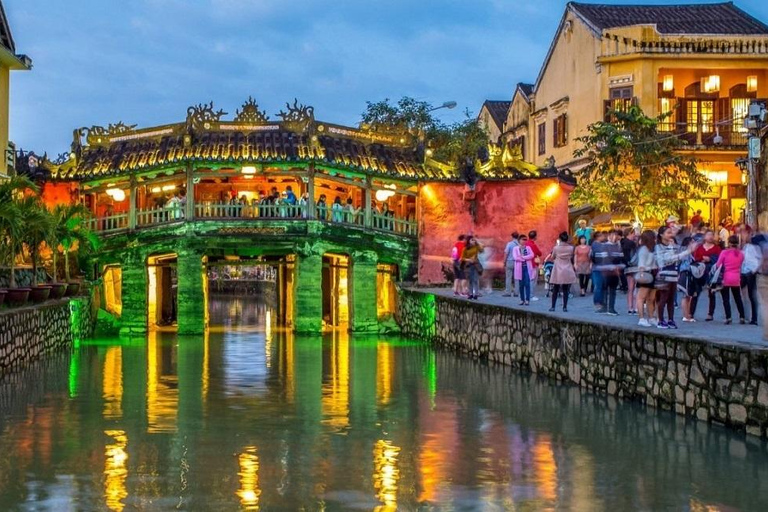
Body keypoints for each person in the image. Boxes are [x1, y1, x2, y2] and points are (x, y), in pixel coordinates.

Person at [655, 226, 697, 329]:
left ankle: (670, 319)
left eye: (671, 233)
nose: (670, 235)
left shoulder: (672, 246)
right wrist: (685, 252)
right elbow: (667, 260)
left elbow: (678, 257)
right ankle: (660, 320)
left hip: (673, 275)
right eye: (668, 233)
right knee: (663, 298)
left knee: (671, 299)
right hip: (664, 275)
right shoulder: (659, 247)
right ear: (661, 235)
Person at [592, 229, 625, 315]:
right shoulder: (604, 246)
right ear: (609, 236)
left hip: (614, 271)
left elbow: (621, 257)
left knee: (612, 290)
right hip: (606, 271)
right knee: (605, 289)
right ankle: (605, 307)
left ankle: (610, 308)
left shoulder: (618, 246)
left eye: (616, 235)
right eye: (613, 235)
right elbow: (601, 258)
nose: (615, 237)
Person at [715, 235, 746, 324]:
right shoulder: (740, 254)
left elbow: (718, 265)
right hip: (736, 278)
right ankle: (742, 317)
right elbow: (741, 263)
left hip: (725, 278)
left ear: (729, 243)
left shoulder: (724, 252)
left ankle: (728, 317)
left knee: (726, 299)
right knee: (738, 298)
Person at [692, 230, 722, 322]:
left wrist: (710, 259)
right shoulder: (700, 248)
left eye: (712, 235)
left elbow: (719, 259)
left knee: (711, 293)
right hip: (700, 271)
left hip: (711, 272)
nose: (710, 237)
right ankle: (691, 313)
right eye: (709, 235)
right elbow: (695, 258)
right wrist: (702, 259)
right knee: (696, 292)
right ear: (705, 237)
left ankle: (710, 314)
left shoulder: (717, 248)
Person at [549, 232, 577, 312]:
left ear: (560, 239)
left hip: (558, 268)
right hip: (567, 268)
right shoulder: (571, 248)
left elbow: (552, 257)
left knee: (555, 288)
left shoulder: (556, 248)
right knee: (565, 289)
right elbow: (571, 256)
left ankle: (553, 306)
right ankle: (565, 307)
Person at [635, 230, 658, 327]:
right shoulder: (644, 249)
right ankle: (641, 318)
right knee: (641, 297)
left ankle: (651, 317)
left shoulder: (652, 249)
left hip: (652, 273)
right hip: (646, 273)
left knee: (651, 298)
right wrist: (641, 273)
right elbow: (641, 264)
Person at [677, 237, 700, 323]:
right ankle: (685, 316)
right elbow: (685, 264)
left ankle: (688, 315)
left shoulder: (689, 253)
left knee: (689, 296)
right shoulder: (685, 252)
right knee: (685, 295)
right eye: (692, 242)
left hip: (688, 274)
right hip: (685, 273)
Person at [741, 235, 760, 325]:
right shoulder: (745, 247)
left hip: (751, 271)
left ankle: (754, 318)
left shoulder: (756, 247)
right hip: (744, 271)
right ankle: (745, 315)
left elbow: (760, 259)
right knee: (742, 293)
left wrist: (754, 271)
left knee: (751, 294)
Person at [513, 234, 536, 306]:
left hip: (527, 267)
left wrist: (522, 257)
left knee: (527, 283)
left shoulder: (528, 248)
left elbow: (532, 255)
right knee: (521, 284)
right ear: (519, 240)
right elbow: (515, 258)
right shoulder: (516, 248)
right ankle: (522, 299)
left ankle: (527, 299)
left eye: (525, 239)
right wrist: (525, 257)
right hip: (520, 268)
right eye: (523, 239)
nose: (524, 241)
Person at [621, 229, 638, 314]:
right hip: (634, 267)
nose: (634, 235)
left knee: (630, 288)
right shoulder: (632, 244)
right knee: (635, 288)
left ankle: (629, 307)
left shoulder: (622, 243)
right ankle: (635, 307)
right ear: (630, 234)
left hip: (627, 268)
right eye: (633, 234)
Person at [590, 231, 607, 310]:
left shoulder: (600, 245)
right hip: (597, 268)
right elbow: (593, 257)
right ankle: (597, 302)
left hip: (602, 267)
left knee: (602, 286)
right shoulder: (595, 245)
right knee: (598, 286)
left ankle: (602, 301)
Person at [526, 230, 543, 301]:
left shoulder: (525, 243)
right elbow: (539, 253)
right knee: (533, 280)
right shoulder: (533, 245)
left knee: (527, 279)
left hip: (525, 264)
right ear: (535, 237)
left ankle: (526, 294)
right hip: (533, 264)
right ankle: (531, 295)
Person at [502, 232, 519, 297]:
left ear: (512, 237)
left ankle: (508, 292)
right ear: (518, 237)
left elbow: (506, 253)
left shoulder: (509, 244)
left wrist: (504, 262)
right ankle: (516, 292)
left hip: (509, 261)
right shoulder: (519, 244)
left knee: (508, 277)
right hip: (517, 262)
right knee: (517, 278)